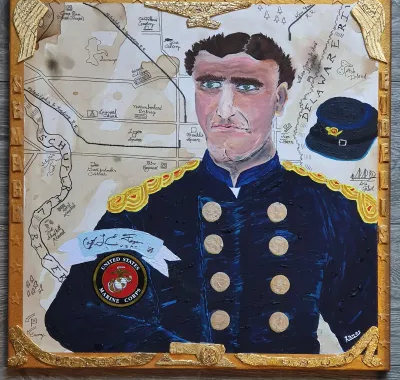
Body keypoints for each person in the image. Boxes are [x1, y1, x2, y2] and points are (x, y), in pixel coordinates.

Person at [45, 32, 377, 354]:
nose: (224, 109)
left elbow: (372, 341)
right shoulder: (142, 211)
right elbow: (75, 316)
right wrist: (175, 353)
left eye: (247, 87)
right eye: (209, 85)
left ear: (279, 99)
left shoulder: (335, 211)